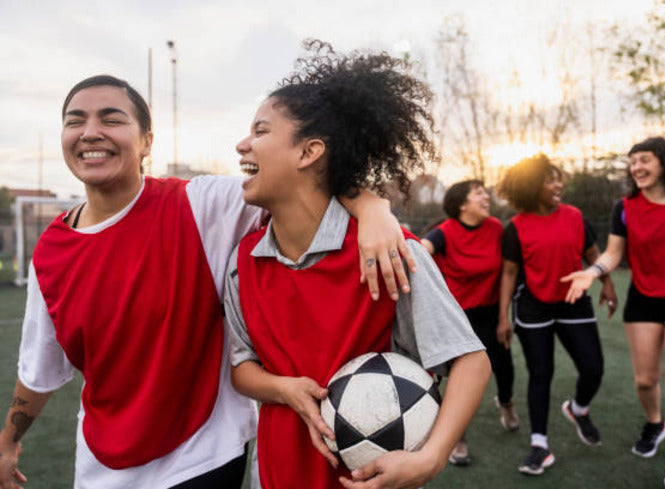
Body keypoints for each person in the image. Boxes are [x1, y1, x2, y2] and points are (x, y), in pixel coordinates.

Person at [0, 75, 414, 489]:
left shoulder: (203, 205)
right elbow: (39, 368)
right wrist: (8, 443)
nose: (91, 132)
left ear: (147, 141)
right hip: (102, 466)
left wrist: (372, 206)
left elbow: (301, 182)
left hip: (203, 457)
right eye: (76, 121)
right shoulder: (51, 251)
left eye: (111, 119)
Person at [223, 40, 491, 489]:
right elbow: (242, 367)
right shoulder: (243, 262)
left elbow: (471, 361)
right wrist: (284, 389)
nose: (242, 143)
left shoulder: (389, 252)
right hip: (274, 472)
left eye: (261, 131)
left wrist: (432, 457)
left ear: (309, 153)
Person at [562, 137, 665, 489]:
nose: (636, 167)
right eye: (633, 162)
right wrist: (593, 272)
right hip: (644, 302)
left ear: (664, 163)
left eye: (645, 160)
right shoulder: (624, 207)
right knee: (645, 381)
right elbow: (612, 254)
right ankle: (655, 423)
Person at [496, 154, 617, 476]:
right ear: (531, 185)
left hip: (573, 300)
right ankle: (539, 446)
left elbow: (593, 255)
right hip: (533, 305)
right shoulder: (516, 227)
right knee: (541, 373)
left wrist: (607, 283)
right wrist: (504, 317)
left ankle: (578, 409)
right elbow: (509, 274)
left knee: (593, 368)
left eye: (558, 178)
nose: (558, 184)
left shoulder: (576, 216)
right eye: (550, 180)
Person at [421, 180, 519, 466]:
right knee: (454, 379)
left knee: (504, 368)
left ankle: (507, 404)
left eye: (485, 192)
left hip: (490, 314)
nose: (485, 196)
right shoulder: (445, 232)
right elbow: (424, 248)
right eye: (478, 193)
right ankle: (457, 437)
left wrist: (504, 317)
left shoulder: (496, 230)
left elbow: (507, 273)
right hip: (455, 319)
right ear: (462, 204)